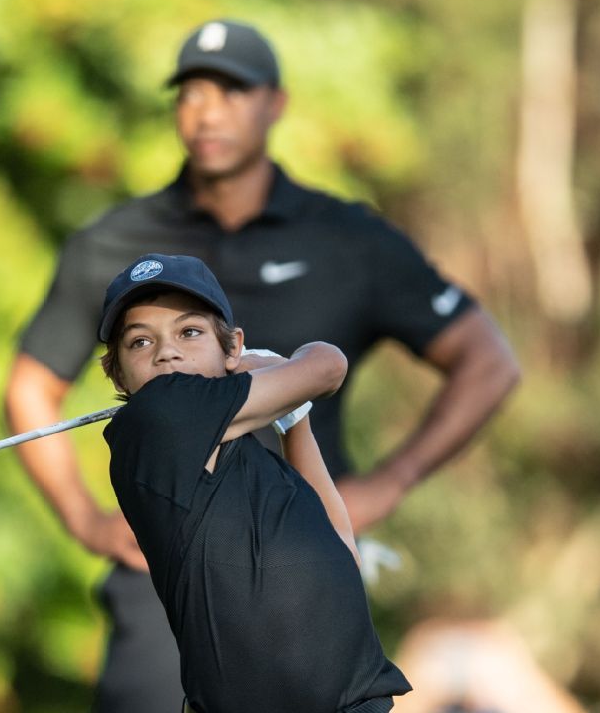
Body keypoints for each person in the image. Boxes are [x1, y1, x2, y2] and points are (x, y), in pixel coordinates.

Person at [5, 18, 520, 712]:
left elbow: (487, 360)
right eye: (191, 92)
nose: (208, 110)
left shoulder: (347, 235)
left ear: (275, 103)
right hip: (164, 576)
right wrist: (85, 520)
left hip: (300, 553)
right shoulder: (114, 242)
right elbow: (31, 385)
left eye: (232, 90)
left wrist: (389, 483)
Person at [97, 252, 412, 712]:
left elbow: (339, 547)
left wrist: (293, 420)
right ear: (117, 374)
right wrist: (276, 366)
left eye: (189, 332)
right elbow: (328, 365)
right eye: (140, 342)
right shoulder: (156, 419)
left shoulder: (256, 463)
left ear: (230, 346)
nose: (167, 351)